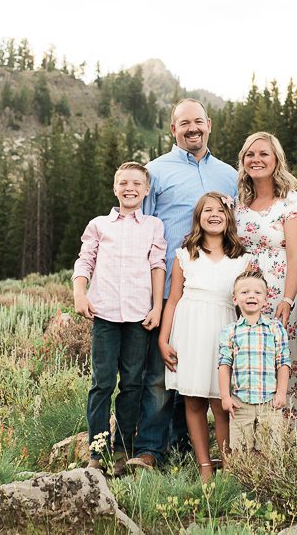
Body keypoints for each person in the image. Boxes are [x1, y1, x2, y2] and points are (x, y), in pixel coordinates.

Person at [128, 99, 238, 472]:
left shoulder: (228, 175)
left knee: (206, 376)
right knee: (162, 376)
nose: (192, 129)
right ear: (172, 130)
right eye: (183, 124)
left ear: (209, 125)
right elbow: (141, 230)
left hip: (217, 292)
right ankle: (150, 450)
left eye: (198, 122)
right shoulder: (155, 172)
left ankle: (190, 449)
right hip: (167, 292)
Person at [73, 162, 167, 475]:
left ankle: (122, 450)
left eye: (137, 184)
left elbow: (157, 266)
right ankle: (97, 451)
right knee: (101, 383)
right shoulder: (100, 224)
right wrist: (79, 293)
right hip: (104, 315)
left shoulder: (153, 225)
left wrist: (156, 307)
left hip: (139, 317)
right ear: (115, 188)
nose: (130, 188)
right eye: (124, 183)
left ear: (146, 189)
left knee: (132, 384)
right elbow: (85, 261)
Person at [158, 192, 250, 480]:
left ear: (228, 217)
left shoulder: (241, 259)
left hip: (223, 328)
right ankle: (205, 466)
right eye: (207, 210)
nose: (214, 215)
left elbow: (246, 301)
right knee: (193, 399)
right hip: (189, 328)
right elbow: (172, 300)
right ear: (198, 217)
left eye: (220, 210)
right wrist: (163, 339)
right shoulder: (185, 255)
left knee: (221, 401)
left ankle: (229, 463)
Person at [234, 132, 297, 411]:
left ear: (276, 159)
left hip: (280, 293)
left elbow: (296, 256)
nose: (256, 160)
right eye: (250, 154)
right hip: (248, 294)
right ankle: (253, 430)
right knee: (251, 359)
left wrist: (288, 300)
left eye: (264, 154)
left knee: (282, 357)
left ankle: (289, 434)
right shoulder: (240, 203)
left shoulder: (291, 202)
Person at [218, 271, 290, 452]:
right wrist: (225, 397)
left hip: (270, 403)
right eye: (245, 292)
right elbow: (224, 365)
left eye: (257, 293)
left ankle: (270, 481)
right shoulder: (230, 331)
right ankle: (243, 481)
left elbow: (283, 362)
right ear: (235, 299)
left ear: (266, 299)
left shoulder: (275, 328)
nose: (251, 295)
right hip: (241, 403)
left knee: (272, 451)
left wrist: (281, 393)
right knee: (241, 452)